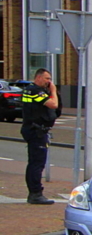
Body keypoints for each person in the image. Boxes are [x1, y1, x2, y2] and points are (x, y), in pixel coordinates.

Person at [20, 68, 60, 204]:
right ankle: (35, 194)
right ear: (38, 77)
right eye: (47, 78)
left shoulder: (30, 90)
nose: (49, 81)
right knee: (37, 163)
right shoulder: (35, 91)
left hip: (33, 129)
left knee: (34, 163)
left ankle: (34, 192)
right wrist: (53, 91)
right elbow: (53, 105)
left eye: (50, 79)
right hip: (36, 130)